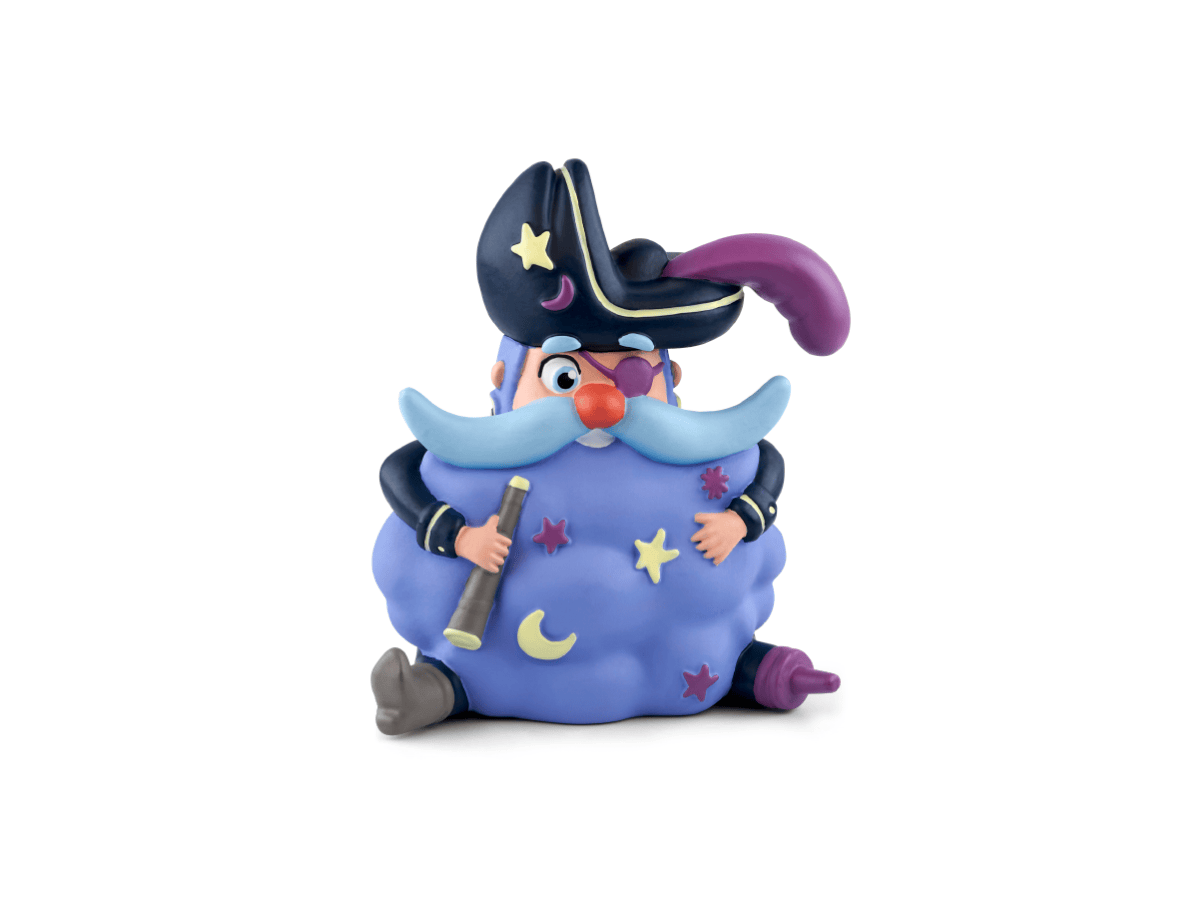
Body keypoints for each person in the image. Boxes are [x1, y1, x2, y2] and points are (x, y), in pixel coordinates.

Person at [370, 159, 850, 734]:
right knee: (459, 658)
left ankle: (746, 670)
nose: (602, 403)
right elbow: (401, 475)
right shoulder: (465, 468)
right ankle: (440, 688)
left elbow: (767, 464)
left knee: (716, 638)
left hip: (690, 664)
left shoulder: (710, 463)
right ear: (503, 377)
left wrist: (741, 521)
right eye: (565, 376)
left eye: (632, 376)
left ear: (672, 380)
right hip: (487, 658)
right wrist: (458, 536)